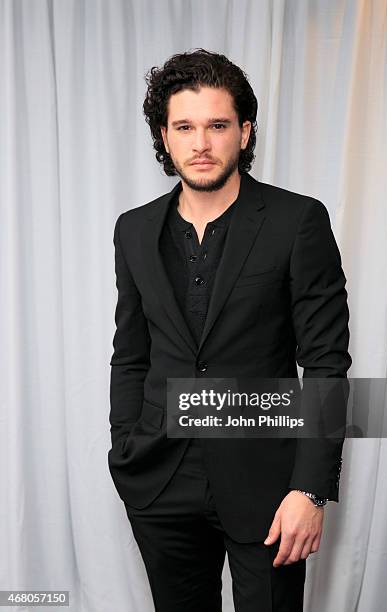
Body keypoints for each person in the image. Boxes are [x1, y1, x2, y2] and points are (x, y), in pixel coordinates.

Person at [108, 48, 351, 612]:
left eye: (217, 125)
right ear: (163, 138)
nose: (201, 143)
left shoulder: (298, 222)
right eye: (184, 127)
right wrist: (125, 448)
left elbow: (325, 365)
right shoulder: (135, 231)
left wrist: (309, 489)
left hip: (267, 482)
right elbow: (131, 355)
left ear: (244, 132)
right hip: (160, 479)